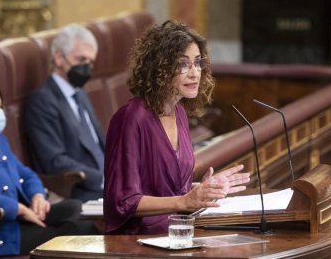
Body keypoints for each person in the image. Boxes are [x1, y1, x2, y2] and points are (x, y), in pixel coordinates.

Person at [104, 20, 250, 235]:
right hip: (138, 243)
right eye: (183, 64)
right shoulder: (131, 118)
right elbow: (124, 201)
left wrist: (203, 190)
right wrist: (185, 201)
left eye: (198, 62)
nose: (194, 73)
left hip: (177, 234)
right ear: (159, 69)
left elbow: (167, 191)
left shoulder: (179, 112)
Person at [0, 81, 98, 256]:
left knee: (76, 208)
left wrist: (37, 196)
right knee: (75, 232)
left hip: (27, 215)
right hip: (3, 231)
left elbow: (26, 174)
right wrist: (19, 209)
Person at [24, 24, 104, 202]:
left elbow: (98, 144)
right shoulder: (42, 101)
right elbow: (54, 161)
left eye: (91, 62)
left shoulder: (79, 92)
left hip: (108, 184)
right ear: (59, 58)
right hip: (81, 191)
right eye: (81, 59)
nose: (87, 68)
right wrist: (103, 179)